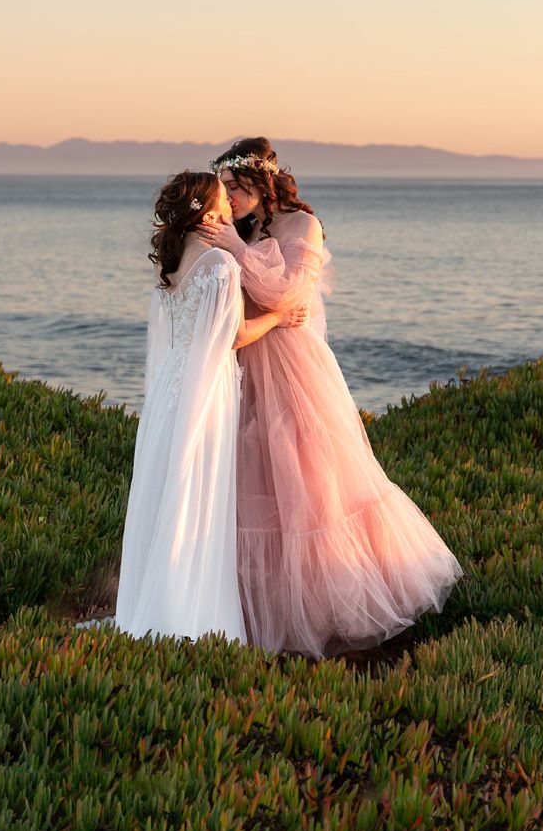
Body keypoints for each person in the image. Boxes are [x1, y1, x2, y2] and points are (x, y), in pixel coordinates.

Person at [197, 138, 463, 657]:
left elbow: (292, 294)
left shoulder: (302, 225)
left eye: (235, 186)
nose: (227, 197)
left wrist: (233, 245)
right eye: (223, 188)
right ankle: (260, 614)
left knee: (314, 485)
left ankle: (337, 611)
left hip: (297, 371)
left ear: (263, 182)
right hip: (250, 368)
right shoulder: (239, 229)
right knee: (259, 485)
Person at [77, 170, 307, 644]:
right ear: (206, 209)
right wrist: (281, 316)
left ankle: (153, 602)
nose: (229, 206)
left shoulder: (173, 260)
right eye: (223, 198)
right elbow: (236, 337)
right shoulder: (221, 265)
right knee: (198, 493)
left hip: (170, 388)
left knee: (168, 490)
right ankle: (187, 614)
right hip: (207, 389)